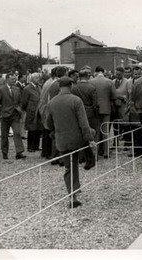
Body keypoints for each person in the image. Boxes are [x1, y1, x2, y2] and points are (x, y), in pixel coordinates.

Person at [46, 77, 96, 208]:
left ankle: (72, 194)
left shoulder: (52, 102)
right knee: (75, 162)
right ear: (71, 85)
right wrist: (90, 140)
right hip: (76, 140)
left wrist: (56, 131)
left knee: (69, 166)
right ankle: (74, 193)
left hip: (61, 140)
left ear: (59, 86)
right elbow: (84, 124)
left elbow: (48, 124)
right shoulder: (76, 100)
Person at [71, 69, 98, 169]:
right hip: (89, 112)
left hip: (77, 113)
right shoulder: (91, 88)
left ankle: (80, 157)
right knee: (90, 135)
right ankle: (90, 158)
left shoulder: (74, 88)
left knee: (80, 134)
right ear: (87, 76)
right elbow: (95, 104)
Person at [89, 66, 117, 158]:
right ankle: (106, 152)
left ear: (96, 72)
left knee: (96, 131)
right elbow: (114, 96)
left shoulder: (91, 82)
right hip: (106, 108)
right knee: (105, 131)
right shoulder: (109, 81)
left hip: (95, 110)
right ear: (103, 72)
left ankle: (95, 153)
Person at [0, 73, 26, 159]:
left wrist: (20, 108)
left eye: (15, 79)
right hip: (5, 116)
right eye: (12, 79)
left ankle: (19, 152)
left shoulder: (17, 89)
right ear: (7, 80)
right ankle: (4, 153)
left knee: (17, 132)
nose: (14, 81)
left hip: (15, 115)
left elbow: (20, 101)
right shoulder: (1, 89)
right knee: (4, 135)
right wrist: (1, 113)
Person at [37, 67, 57, 159]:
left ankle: (45, 152)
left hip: (43, 108)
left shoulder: (48, 82)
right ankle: (48, 152)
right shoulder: (52, 84)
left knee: (46, 131)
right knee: (48, 130)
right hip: (47, 109)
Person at [21, 73, 43, 152]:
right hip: (31, 112)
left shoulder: (39, 87)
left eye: (39, 78)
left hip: (38, 111)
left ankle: (36, 146)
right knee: (31, 129)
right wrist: (28, 109)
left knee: (38, 129)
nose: (39, 80)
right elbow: (24, 102)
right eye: (37, 78)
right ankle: (30, 147)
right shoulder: (27, 89)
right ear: (32, 79)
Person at [111, 67, 131, 139]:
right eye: (116, 74)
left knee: (125, 124)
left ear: (122, 74)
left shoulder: (127, 82)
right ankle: (116, 140)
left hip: (123, 107)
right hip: (115, 106)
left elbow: (129, 94)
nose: (117, 75)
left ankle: (126, 141)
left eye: (119, 74)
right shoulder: (113, 82)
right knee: (115, 124)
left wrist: (123, 97)